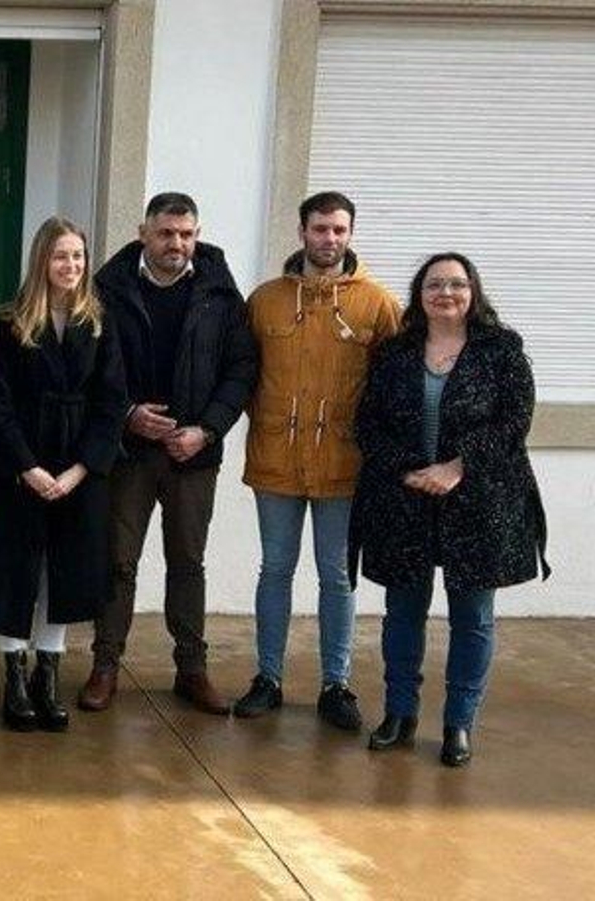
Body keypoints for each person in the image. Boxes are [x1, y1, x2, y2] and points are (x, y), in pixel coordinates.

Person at [351, 252, 549, 767]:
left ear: (472, 292)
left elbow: (513, 423)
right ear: (420, 294)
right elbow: (369, 423)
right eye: (435, 284)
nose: (446, 293)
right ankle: (399, 713)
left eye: (457, 285)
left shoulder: (502, 350)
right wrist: (410, 470)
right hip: (406, 498)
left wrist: (457, 468)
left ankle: (459, 723)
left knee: (473, 617)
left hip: (478, 500)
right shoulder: (395, 352)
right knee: (402, 613)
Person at [79, 192, 258, 716]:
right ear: (143, 233)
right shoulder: (108, 290)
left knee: (188, 563)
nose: (176, 244)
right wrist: (128, 413)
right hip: (128, 452)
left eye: (186, 234)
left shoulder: (221, 294)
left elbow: (241, 370)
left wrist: (207, 430)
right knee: (118, 562)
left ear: (196, 236)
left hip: (192, 456)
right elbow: (93, 368)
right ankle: (105, 664)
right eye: (165, 233)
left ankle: (192, 669)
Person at [233, 192, 400, 729]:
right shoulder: (265, 301)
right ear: (302, 230)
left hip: (344, 465)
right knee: (275, 570)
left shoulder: (377, 304)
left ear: (351, 234)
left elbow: (395, 386)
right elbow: (240, 374)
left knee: (337, 577)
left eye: (339, 230)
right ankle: (268, 678)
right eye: (321, 228)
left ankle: (337, 684)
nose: (330, 239)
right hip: (276, 459)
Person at [0, 218, 126, 731]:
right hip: (24, 467)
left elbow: (111, 402)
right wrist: (27, 467)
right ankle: (15, 675)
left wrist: (82, 468)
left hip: (79, 470)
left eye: (79, 256)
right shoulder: (10, 323)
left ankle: (48, 674)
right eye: (62, 256)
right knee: (19, 571)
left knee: (64, 573)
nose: (72, 266)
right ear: (42, 260)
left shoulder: (100, 323)